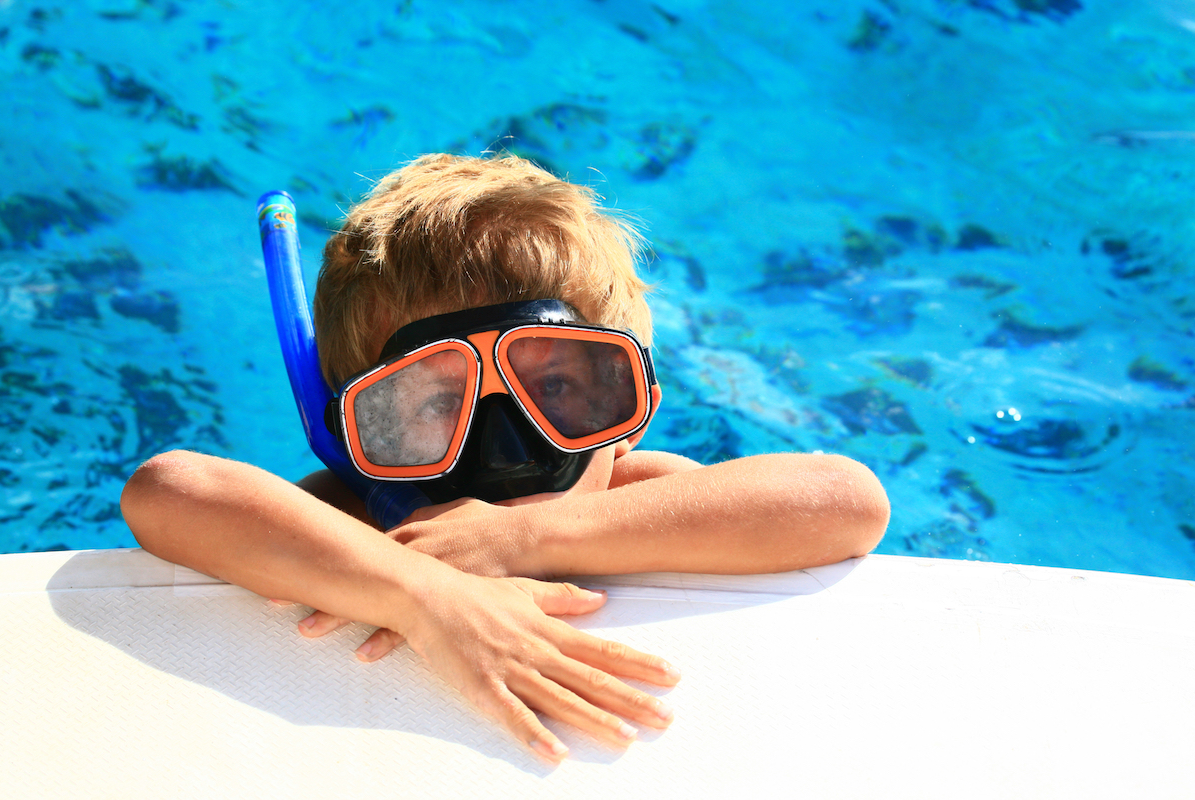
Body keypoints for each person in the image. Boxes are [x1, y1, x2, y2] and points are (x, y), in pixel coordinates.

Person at [120, 153, 889, 763]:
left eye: (554, 383)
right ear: (352, 431)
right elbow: (169, 491)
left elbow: (844, 500)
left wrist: (528, 538)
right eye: (431, 403)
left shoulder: (640, 491)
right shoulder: (360, 521)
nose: (508, 441)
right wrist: (420, 593)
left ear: (632, 402)